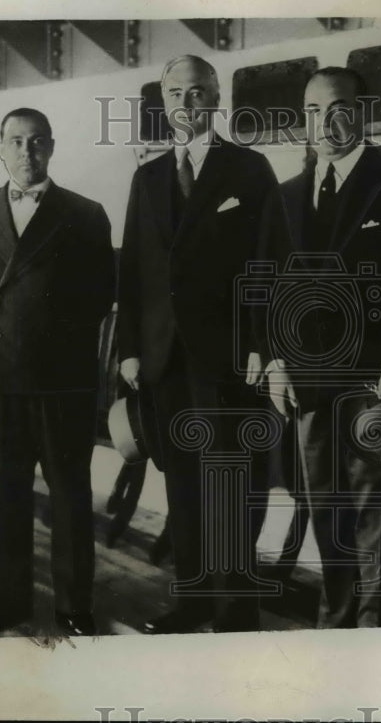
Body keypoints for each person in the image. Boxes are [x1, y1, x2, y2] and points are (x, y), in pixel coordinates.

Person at [257, 67, 381, 628]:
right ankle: (337, 627)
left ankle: (379, 639)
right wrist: (275, 360)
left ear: (361, 112)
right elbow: (269, 288)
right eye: (315, 110)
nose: (327, 121)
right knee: (329, 516)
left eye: (339, 107)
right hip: (308, 384)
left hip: (379, 380)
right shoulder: (288, 195)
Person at [117, 55, 278, 634]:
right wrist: (130, 349)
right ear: (163, 102)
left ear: (217, 98)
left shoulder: (250, 169)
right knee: (183, 486)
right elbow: (134, 270)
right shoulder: (148, 177)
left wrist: (263, 344)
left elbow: (268, 265)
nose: (187, 103)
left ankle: (237, 614)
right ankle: (193, 603)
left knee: (232, 486)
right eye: (176, 93)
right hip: (163, 361)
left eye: (198, 91)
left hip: (230, 359)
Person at [0, 108, 115, 637]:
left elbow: (100, 294)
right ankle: (9, 603)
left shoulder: (86, 213)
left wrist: (50, 334)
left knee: (70, 495)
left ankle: (74, 606)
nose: (27, 153)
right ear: (1, 150)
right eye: (16, 143)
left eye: (36, 143)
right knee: (6, 492)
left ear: (51, 147)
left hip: (62, 377)